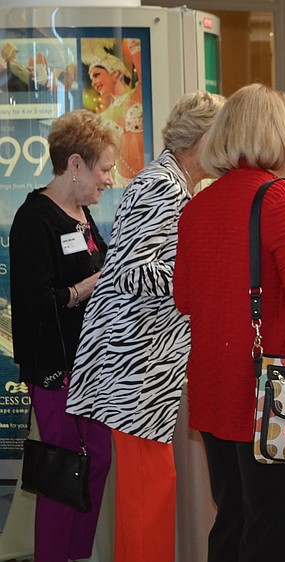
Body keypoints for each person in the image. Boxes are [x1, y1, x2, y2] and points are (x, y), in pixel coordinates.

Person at [65, 90, 224, 562]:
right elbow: (135, 271)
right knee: (147, 492)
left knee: (150, 489)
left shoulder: (174, 183)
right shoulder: (162, 185)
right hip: (135, 365)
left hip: (143, 363)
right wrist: (206, 277)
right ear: (203, 139)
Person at [173, 83, 285, 562]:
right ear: (281, 134)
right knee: (273, 527)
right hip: (273, 394)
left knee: (234, 516)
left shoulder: (198, 204)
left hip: (216, 388)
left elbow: (184, 298)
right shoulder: (282, 198)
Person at [9, 109, 117, 562]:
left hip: (90, 367)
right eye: (104, 168)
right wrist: (85, 288)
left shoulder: (83, 216)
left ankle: (76, 554)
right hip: (55, 368)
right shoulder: (34, 219)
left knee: (97, 461)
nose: (110, 180)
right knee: (61, 470)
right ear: (75, 165)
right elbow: (35, 303)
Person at [82, 38, 144, 188]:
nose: (94, 83)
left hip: (147, 181)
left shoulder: (138, 93)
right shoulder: (101, 116)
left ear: (115, 73)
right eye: (91, 79)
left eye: (96, 75)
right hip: (120, 184)